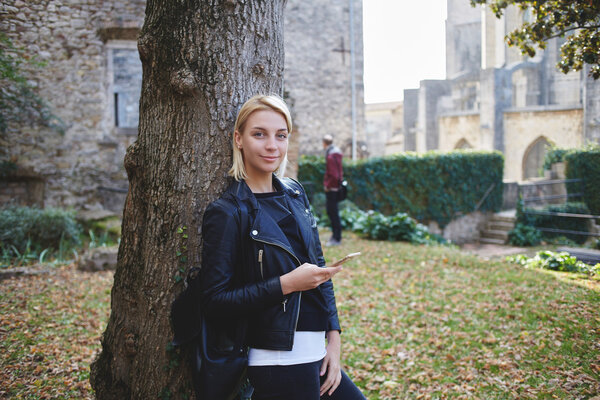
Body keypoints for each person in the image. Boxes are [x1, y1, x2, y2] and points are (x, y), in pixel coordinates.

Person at [199, 94, 365, 400]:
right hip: (277, 357)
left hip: (316, 351)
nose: (272, 145)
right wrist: (286, 285)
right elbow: (214, 301)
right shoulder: (229, 212)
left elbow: (319, 266)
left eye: (281, 135)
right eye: (259, 134)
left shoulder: (294, 193)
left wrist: (334, 340)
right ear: (239, 139)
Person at [322, 134, 343, 246]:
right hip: (337, 188)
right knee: (334, 212)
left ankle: (336, 238)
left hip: (332, 189)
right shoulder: (337, 153)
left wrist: (327, 186)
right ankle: (336, 236)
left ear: (324, 143)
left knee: (332, 213)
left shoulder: (331, 156)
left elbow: (333, 175)